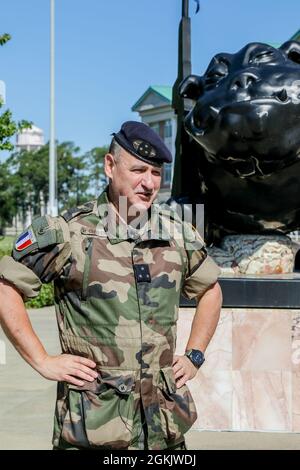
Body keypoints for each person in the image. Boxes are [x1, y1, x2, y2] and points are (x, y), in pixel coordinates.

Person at [0, 121, 222, 450]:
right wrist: (42, 361)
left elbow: (210, 290)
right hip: (95, 426)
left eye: (156, 173)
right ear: (109, 165)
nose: (149, 183)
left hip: (163, 427)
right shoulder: (68, 233)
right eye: (138, 170)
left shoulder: (178, 234)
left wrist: (194, 355)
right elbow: (6, 288)